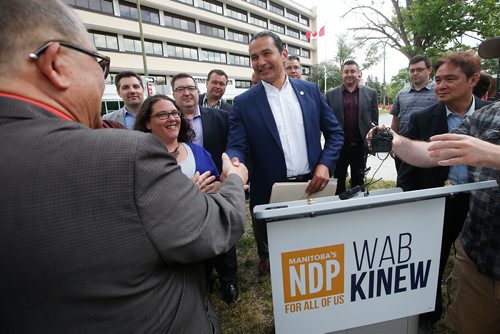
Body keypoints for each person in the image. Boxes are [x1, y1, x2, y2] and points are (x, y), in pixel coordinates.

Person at [0, 1, 248, 333]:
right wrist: (233, 181)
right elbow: (214, 228)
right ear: (55, 63)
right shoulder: (128, 154)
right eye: (99, 64)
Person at [368, 99, 499, 334]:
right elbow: (430, 153)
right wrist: (395, 141)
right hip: (478, 256)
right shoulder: (486, 115)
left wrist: (494, 155)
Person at [227, 30, 344, 275]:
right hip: (269, 190)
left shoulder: (310, 91)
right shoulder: (243, 103)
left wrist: (325, 165)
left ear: (283, 54)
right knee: (274, 257)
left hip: (312, 185)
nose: (260, 62)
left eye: (266, 53)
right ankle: (266, 259)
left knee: (310, 251)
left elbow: (335, 134)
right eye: (254, 57)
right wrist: (235, 163)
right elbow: (237, 145)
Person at [396, 51, 490, 331]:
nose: (441, 85)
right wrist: (411, 204)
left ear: (473, 80)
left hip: (482, 204)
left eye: (450, 78)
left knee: (478, 264)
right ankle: (428, 314)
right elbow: (407, 173)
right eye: (438, 79)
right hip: (440, 203)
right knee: (430, 261)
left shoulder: (492, 115)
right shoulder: (422, 119)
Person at [171, 73, 238, 303]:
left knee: (222, 231)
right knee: (196, 236)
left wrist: (230, 173)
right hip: (183, 190)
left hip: (216, 183)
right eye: (181, 89)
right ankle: (204, 278)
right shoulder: (170, 120)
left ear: (197, 89)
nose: (187, 93)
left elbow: (233, 146)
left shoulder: (220, 116)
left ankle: (229, 280)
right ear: (173, 94)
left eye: (190, 87)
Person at [134, 94, 220, 193]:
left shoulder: (197, 151)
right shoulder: (139, 160)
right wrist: (189, 192)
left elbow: (218, 183)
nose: (172, 119)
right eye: (162, 114)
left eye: (175, 113)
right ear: (147, 123)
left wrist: (213, 187)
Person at [325, 60, 378, 195]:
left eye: (353, 71)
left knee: (358, 182)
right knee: (338, 181)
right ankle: (339, 209)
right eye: (346, 71)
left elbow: (374, 120)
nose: (349, 74)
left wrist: (372, 142)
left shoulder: (371, 93)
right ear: (341, 74)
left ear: (359, 73)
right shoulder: (331, 95)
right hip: (339, 147)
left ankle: (357, 209)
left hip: (360, 147)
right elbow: (326, 122)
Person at [390, 55, 437, 172]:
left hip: (429, 151)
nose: (415, 73)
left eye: (419, 70)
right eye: (412, 70)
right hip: (403, 150)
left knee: (429, 187)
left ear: (429, 70)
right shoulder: (401, 94)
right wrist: (391, 144)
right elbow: (395, 121)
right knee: (403, 185)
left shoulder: (439, 92)